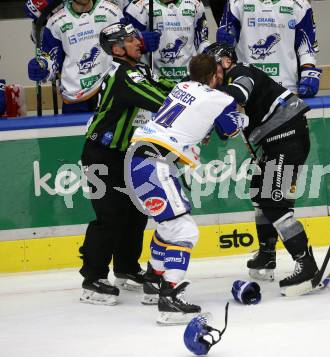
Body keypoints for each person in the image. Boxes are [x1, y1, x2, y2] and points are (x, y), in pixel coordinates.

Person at [127, 53, 248, 324]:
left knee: (168, 225)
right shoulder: (221, 98)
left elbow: (191, 118)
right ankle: (169, 297)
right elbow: (229, 131)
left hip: (137, 159)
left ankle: (152, 280)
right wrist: (242, 118)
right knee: (185, 230)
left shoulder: (181, 87)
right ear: (215, 76)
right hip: (155, 163)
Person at [204, 42, 319, 296]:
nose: (214, 76)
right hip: (279, 140)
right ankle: (267, 254)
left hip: (288, 138)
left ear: (225, 61)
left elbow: (239, 94)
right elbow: (229, 127)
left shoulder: (239, 72)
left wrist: (207, 97)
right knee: (259, 192)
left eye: (214, 68)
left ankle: (306, 263)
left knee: (272, 200)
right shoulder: (231, 78)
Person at [79, 22, 174, 305]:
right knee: (109, 216)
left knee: (135, 213)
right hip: (100, 154)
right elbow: (162, 99)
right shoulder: (126, 74)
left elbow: (166, 86)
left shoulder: (139, 71)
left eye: (136, 37)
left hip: (123, 154)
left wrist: (194, 89)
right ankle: (92, 278)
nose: (137, 41)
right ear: (117, 48)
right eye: (130, 39)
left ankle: (126, 268)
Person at [26, 0, 161, 114]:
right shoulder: (55, 22)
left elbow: (128, 43)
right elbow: (51, 61)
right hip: (75, 98)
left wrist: (142, 42)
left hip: (110, 90)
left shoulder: (111, 10)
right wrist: (41, 67)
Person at [216, 0, 320, 98]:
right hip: (245, 87)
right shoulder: (236, 3)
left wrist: (308, 71)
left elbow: (306, 46)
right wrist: (224, 46)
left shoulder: (300, 4)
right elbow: (225, 47)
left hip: (286, 89)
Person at [124, 0, 210, 81]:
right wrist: (141, 40)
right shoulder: (137, 7)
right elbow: (123, 45)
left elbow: (202, 40)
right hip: (154, 79)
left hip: (189, 79)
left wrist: (209, 53)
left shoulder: (195, 3)